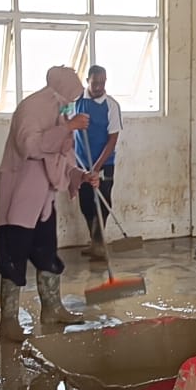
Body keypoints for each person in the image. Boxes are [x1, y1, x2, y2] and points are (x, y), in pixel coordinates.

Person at [0, 66, 99, 341]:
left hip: (43, 198)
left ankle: (52, 308)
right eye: (69, 97)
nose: (70, 103)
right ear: (57, 92)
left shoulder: (60, 111)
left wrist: (80, 174)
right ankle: (8, 320)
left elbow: (65, 155)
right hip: (20, 195)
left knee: (47, 253)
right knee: (13, 257)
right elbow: (29, 146)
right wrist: (67, 127)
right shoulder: (31, 108)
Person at [74, 65, 123, 260]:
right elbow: (62, 118)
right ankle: (95, 241)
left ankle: (98, 242)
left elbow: (113, 139)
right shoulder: (76, 101)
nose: (98, 87)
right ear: (88, 81)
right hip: (81, 163)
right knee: (86, 203)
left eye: (102, 83)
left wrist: (98, 165)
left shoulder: (111, 105)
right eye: (95, 83)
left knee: (103, 201)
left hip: (104, 162)